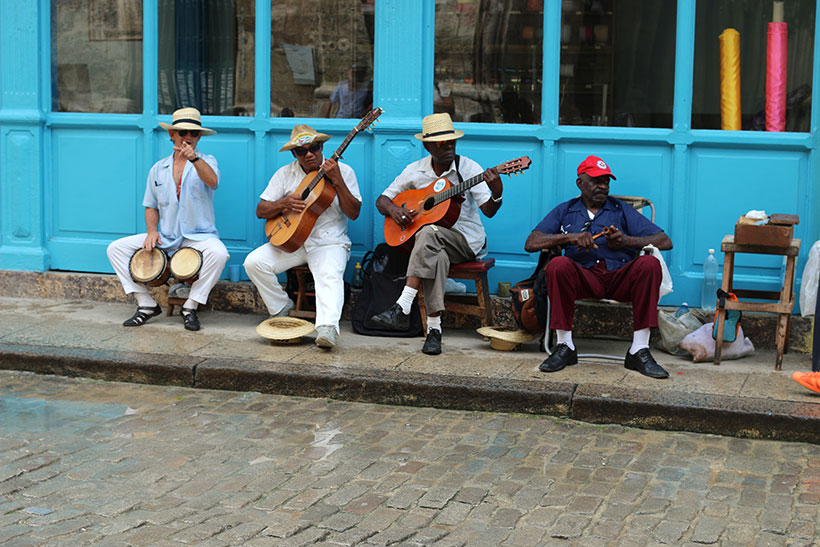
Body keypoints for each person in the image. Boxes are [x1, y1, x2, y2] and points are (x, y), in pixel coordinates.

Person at [525, 155, 673, 379]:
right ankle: (565, 347)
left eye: (606, 181)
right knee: (558, 264)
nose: (603, 186)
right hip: (584, 278)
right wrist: (570, 238)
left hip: (619, 278)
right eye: (596, 181)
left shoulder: (620, 209)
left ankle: (639, 350)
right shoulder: (566, 210)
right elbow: (531, 243)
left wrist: (626, 241)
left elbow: (664, 241)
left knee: (649, 263)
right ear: (580, 183)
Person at [369, 113, 502, 355]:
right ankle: (434, 331)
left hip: (465, 241)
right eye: (442, 143)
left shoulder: (469, 168)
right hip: (431, 244)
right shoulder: (415, 171)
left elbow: (489, 211)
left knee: (428, 232)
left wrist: (497, 193)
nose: (449, 146)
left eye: (452, 141)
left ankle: (403, 304)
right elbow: (382, 200)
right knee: (434, 251)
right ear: (427, 146)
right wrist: (395, 210)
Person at [106, 107, 229, 331]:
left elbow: (212, 181)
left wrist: (194, 159)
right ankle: (146, 304)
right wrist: (152, 231)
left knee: (220, 254)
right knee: (116, 248)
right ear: (172, 134)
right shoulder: (158, 169)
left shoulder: (207, 161)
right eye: (182, 132)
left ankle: (190, 306)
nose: (188, 137)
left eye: (193, 133)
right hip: (167, 236)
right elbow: (150, 205)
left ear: (199, 136)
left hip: (198, 237)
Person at [243, 124, 361, 349]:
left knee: (328, 275)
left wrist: (337, 181)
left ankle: (327, 328)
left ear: (322, 146)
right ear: (293, 153)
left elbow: (354, 213)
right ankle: (280, 308)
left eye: (313, 148)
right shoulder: (285, 173)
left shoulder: (343, 171)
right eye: (301, 151)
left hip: (329, 241)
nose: (308, 154)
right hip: (294, 241)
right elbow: (261, 210)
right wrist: (283, 203)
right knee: (254, 263)